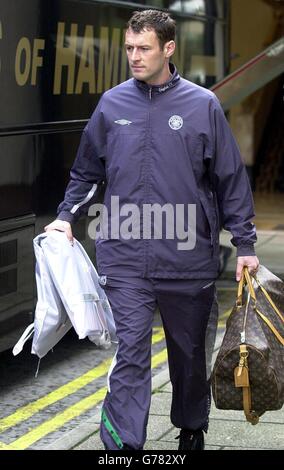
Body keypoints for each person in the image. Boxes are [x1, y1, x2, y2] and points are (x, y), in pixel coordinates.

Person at [45, 10, 259, 450]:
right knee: (130, 355)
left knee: (189, 357)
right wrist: (66, 216)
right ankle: (124, 448)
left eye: (144, 48)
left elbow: (229, 178)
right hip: (124, 257)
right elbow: (86, 172)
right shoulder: (112, 104)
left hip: (188, 256)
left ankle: (191, 427)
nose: (134, 57)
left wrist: (245, 244)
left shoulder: (203, 105)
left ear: (169, 48)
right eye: (129, 48)